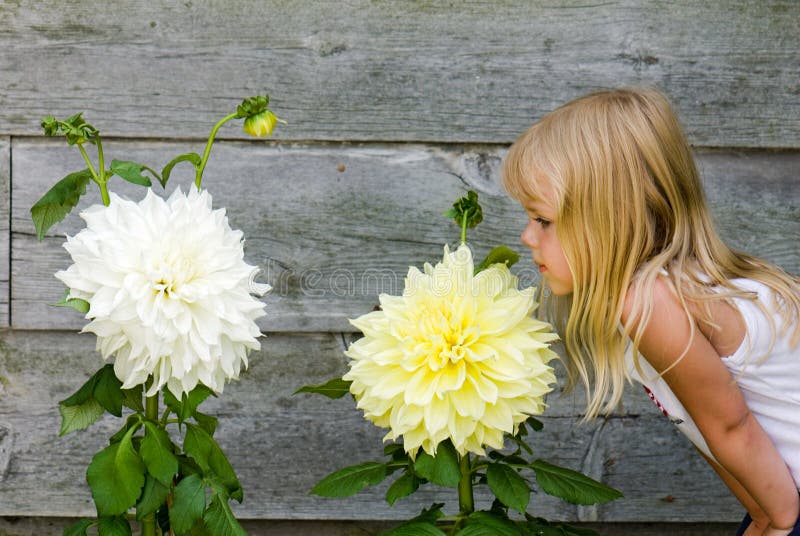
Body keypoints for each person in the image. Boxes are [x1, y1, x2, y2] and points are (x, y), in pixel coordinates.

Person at [502, 87, 800, 536]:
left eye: (543, 220)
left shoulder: (650, 301)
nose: (527, 236)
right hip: (780, 491)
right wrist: (761, 515)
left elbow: (733, 428)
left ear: (609, 219)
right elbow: (706, 430)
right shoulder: (643, 302)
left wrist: (777, 523)